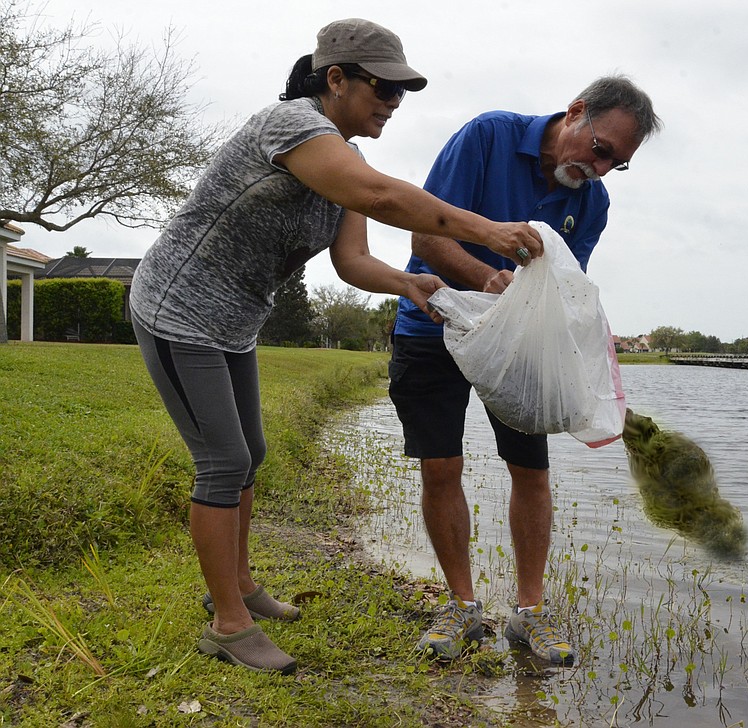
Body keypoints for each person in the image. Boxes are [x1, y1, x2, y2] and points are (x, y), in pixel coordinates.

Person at [129, 18, 543, 675]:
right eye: (383, 87)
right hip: (176, 309)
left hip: (236, 320)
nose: (393, 102)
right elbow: (382, 197)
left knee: (251, 453)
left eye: (403, 93)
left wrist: (407, 283)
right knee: (223, 460)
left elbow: (352, 261)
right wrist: (486, 230)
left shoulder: (345, 161)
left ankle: (235, 586)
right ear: (337, 79)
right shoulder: (292, 127)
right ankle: (228, 627)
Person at [389, 75, 661, 665]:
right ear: (576, 112)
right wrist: (487, 279)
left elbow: (564, 287)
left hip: (518, 351)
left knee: (530, 471)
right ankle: (462, 606)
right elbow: (425, 237)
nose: (602, 168)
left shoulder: (592, 203)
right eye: (602, 149)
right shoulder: (488, 138)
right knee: (441, 466)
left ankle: (529, 614)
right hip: (433, 327)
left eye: (619, 163)